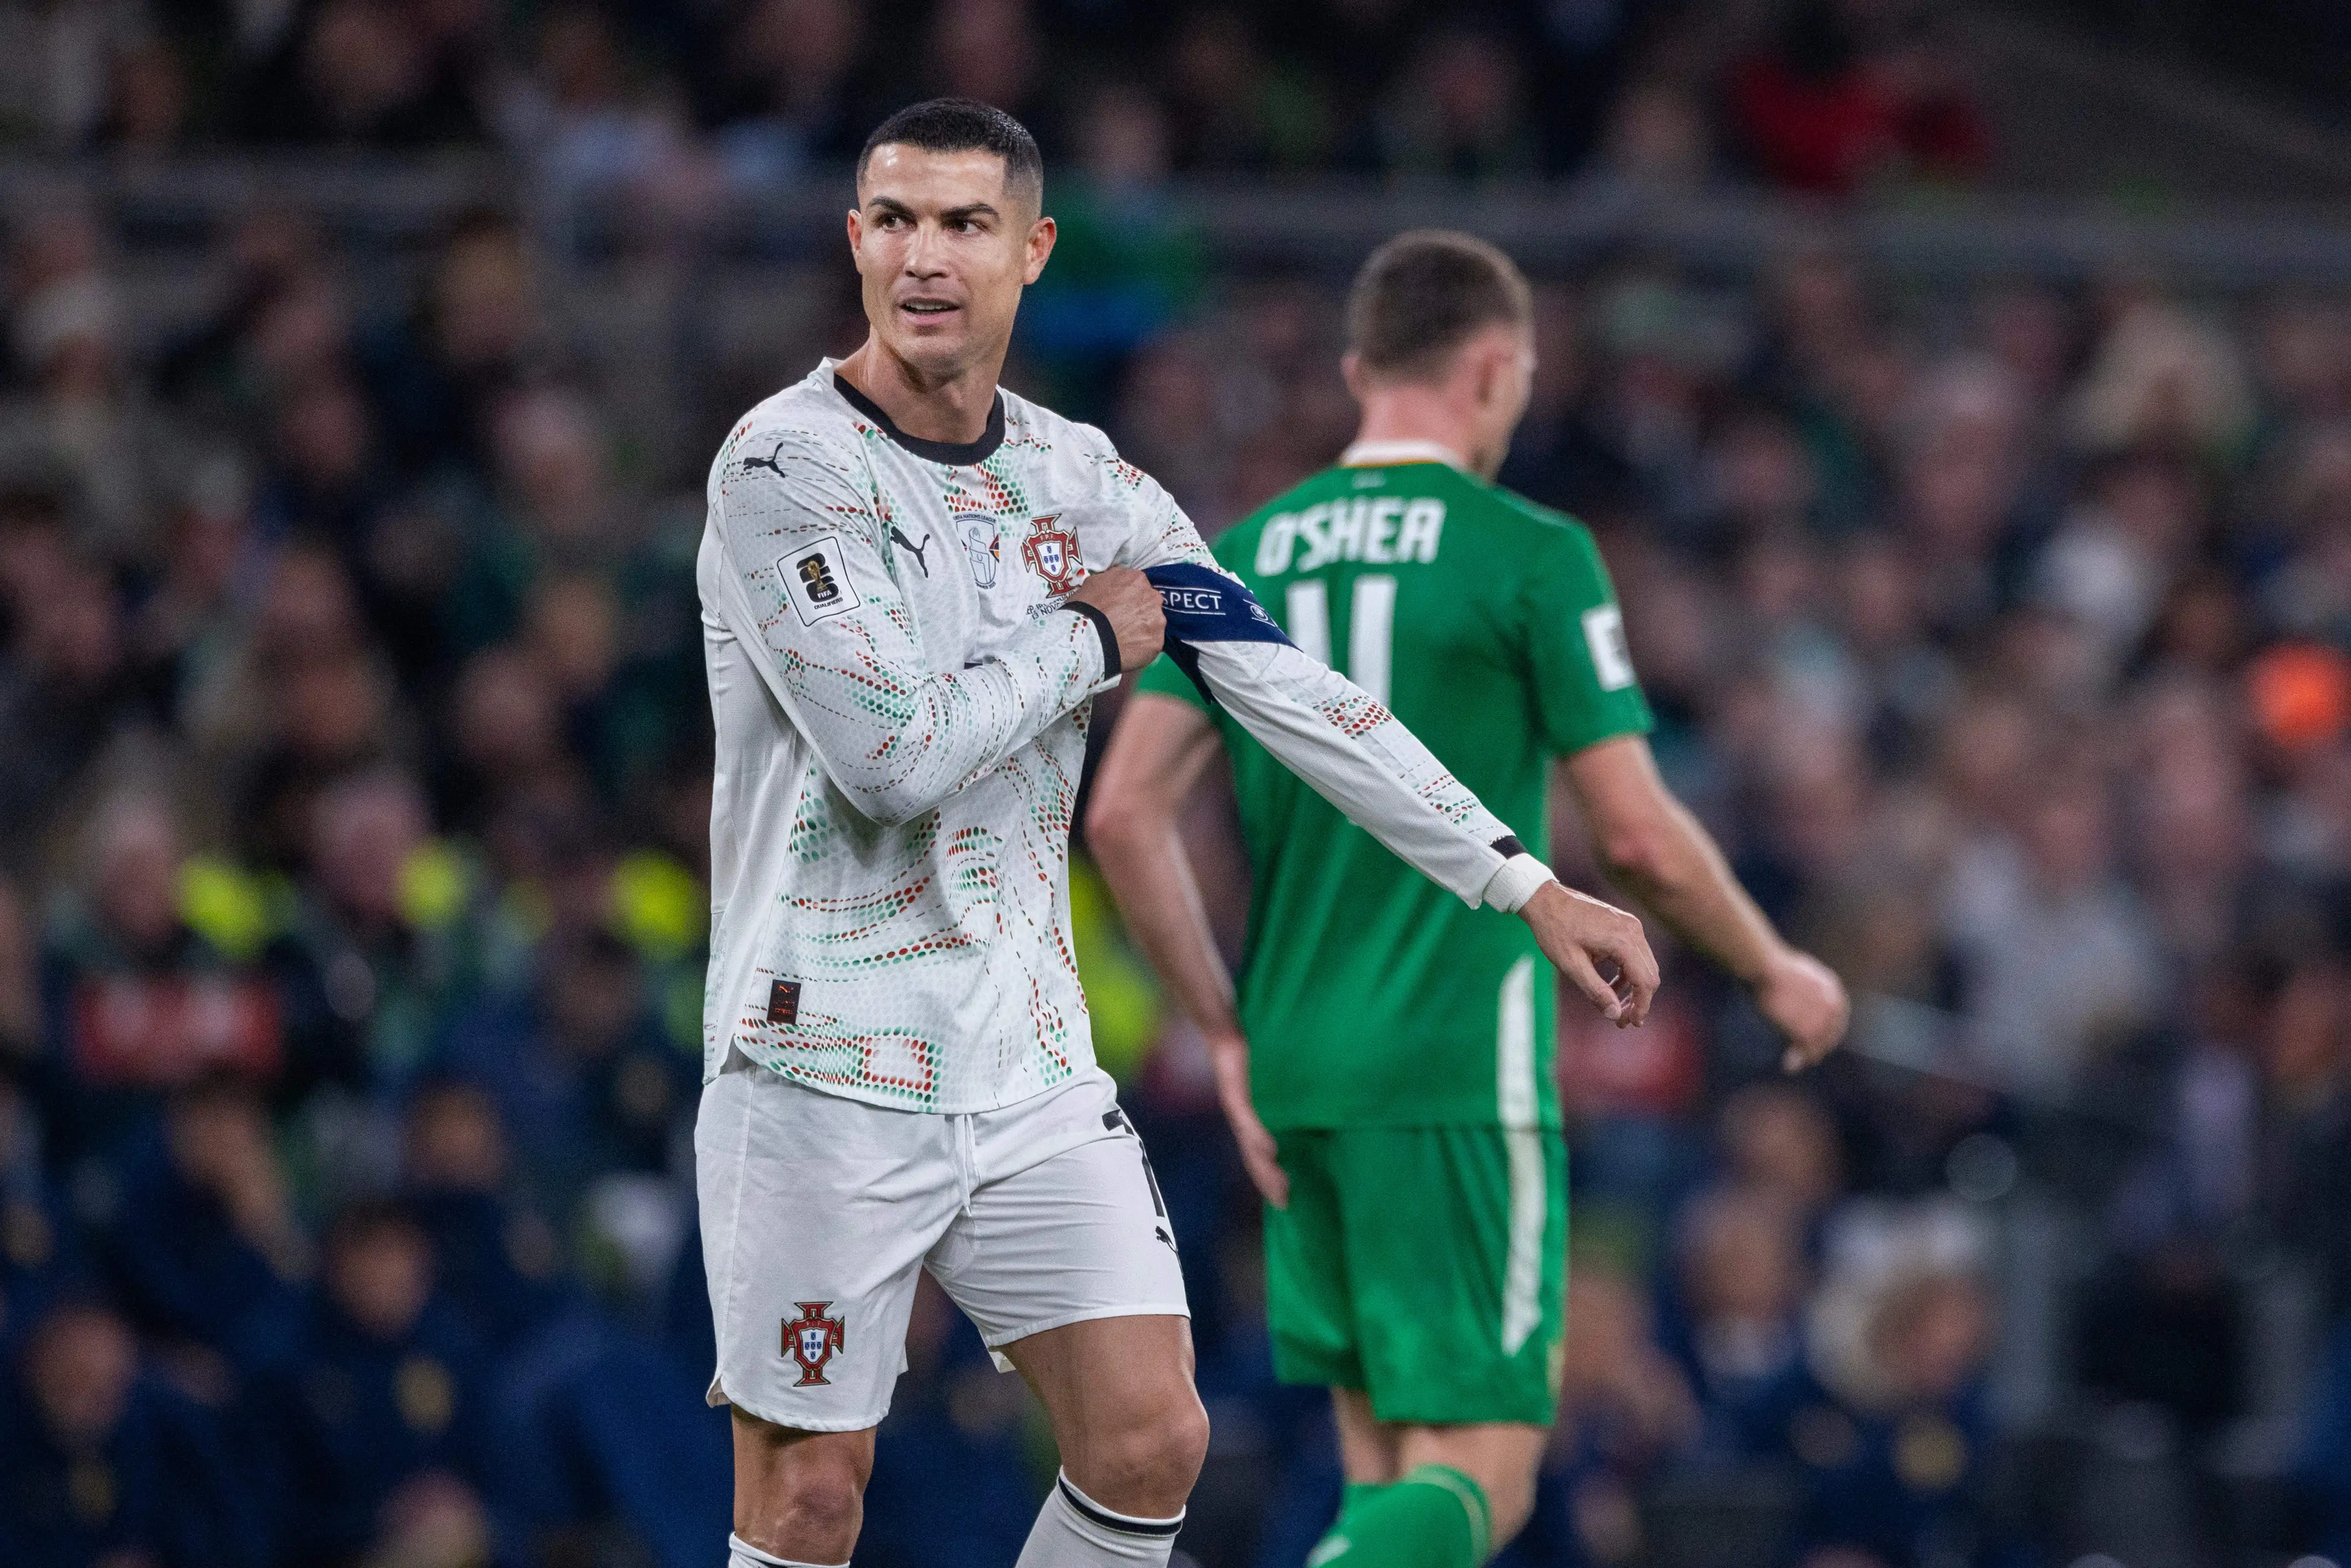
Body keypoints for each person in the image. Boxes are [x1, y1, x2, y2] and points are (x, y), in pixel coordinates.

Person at [694, 103, 1660, 1568]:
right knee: (811, 1499)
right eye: (894, 220)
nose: (926, 256)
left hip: (1021, 1051)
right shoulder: (782, 468)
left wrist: (1520, 880)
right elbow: (888, 755)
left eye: (964, 224)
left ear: (1035, 250)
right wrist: (1090, 634)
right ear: (855, 241)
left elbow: (1288, 686)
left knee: (1155, 1438)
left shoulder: (1087, 482)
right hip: (824, 1051)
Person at [1087, 230, 1851, 1568]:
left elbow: (1124, 812)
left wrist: (1222, 1027)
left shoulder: (1247, 548)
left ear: (1354, 370)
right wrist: (1774, 963)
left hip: (1297, 1058)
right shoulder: (1528, 551)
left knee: (1386, 1467)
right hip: (1451, 1060)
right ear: (1495, 369)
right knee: (1483, 1477)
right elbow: (1638, 837)